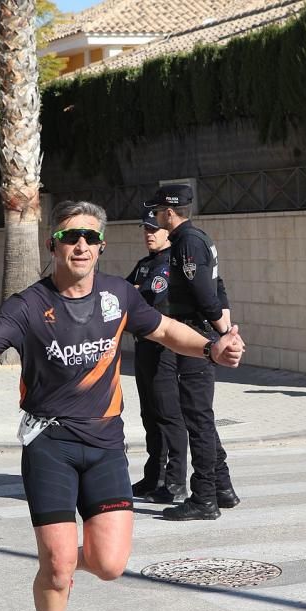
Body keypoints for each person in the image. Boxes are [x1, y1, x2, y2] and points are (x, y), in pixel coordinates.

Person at [0, 200, 244, 611]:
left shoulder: (119, 295)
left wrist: (210, 349)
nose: (81, 245)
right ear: (52, 244)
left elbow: (164, 330)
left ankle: (55, 562)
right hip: (50, 445)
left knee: (109, 564)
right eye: (70, 237)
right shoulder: (29, 305)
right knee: (60, 568)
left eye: (90, 238)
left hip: (105, 445)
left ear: (100, 246)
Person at [145, 184, 239, 520]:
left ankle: (204, 498)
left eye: (158, 212)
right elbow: (217, 285)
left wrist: (223, 334)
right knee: (200, 417)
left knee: (197, 420)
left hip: (196, 337)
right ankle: (223, 488)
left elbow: (205, 293)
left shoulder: (187, 242)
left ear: (170, 212)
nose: (156, 217)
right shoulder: (197, 239)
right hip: (198, 335)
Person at [125, 208, 189, 503]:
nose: (149, 234)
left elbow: (148, 296)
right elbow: (123, 294)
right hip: (143, 346)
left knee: (168, 416)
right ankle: (154, 476)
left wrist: (137, 291)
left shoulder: (169, 263)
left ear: (166, 230)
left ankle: (176, 482)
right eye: (145, 229)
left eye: (154, 229)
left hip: (164, 349)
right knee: (149, 414)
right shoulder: (144, 264)